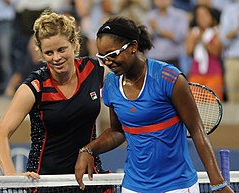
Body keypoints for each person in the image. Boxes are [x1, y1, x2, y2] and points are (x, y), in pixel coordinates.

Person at [75, 16, 234, 193]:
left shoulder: (168, 78)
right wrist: (88, 150)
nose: (107, 62)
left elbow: (197, 130)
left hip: (177, 186)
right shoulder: (111, 84)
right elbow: (118, 131)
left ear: (133, 47)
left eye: (112, 55)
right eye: (102, 57)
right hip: (133, 186)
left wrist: (218, 183)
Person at [0, 10, 109, 178]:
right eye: (49, 52)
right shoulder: (34, 87)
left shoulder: (94, 70)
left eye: (62, 49)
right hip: (44, 181)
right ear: (41, 53)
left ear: (75, 44)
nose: (56, 57)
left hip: (89, 178)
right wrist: (11, 175)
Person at [186, 4, 224, 100]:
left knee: (213, 106)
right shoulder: (193, 32)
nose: (202, 18)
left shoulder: (216, 32)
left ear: (211, 17)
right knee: (194, 105)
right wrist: (194, 41)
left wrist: (203, 41)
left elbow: (216, 52)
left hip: (213, 75)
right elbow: (189, 52)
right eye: (199, 15)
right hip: (195, 74)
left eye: (205, 15)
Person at [219, 0, 239, 103]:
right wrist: (236, 29)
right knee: (234, 100)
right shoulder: (230, 10)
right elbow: (223, 39)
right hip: (234, 60)